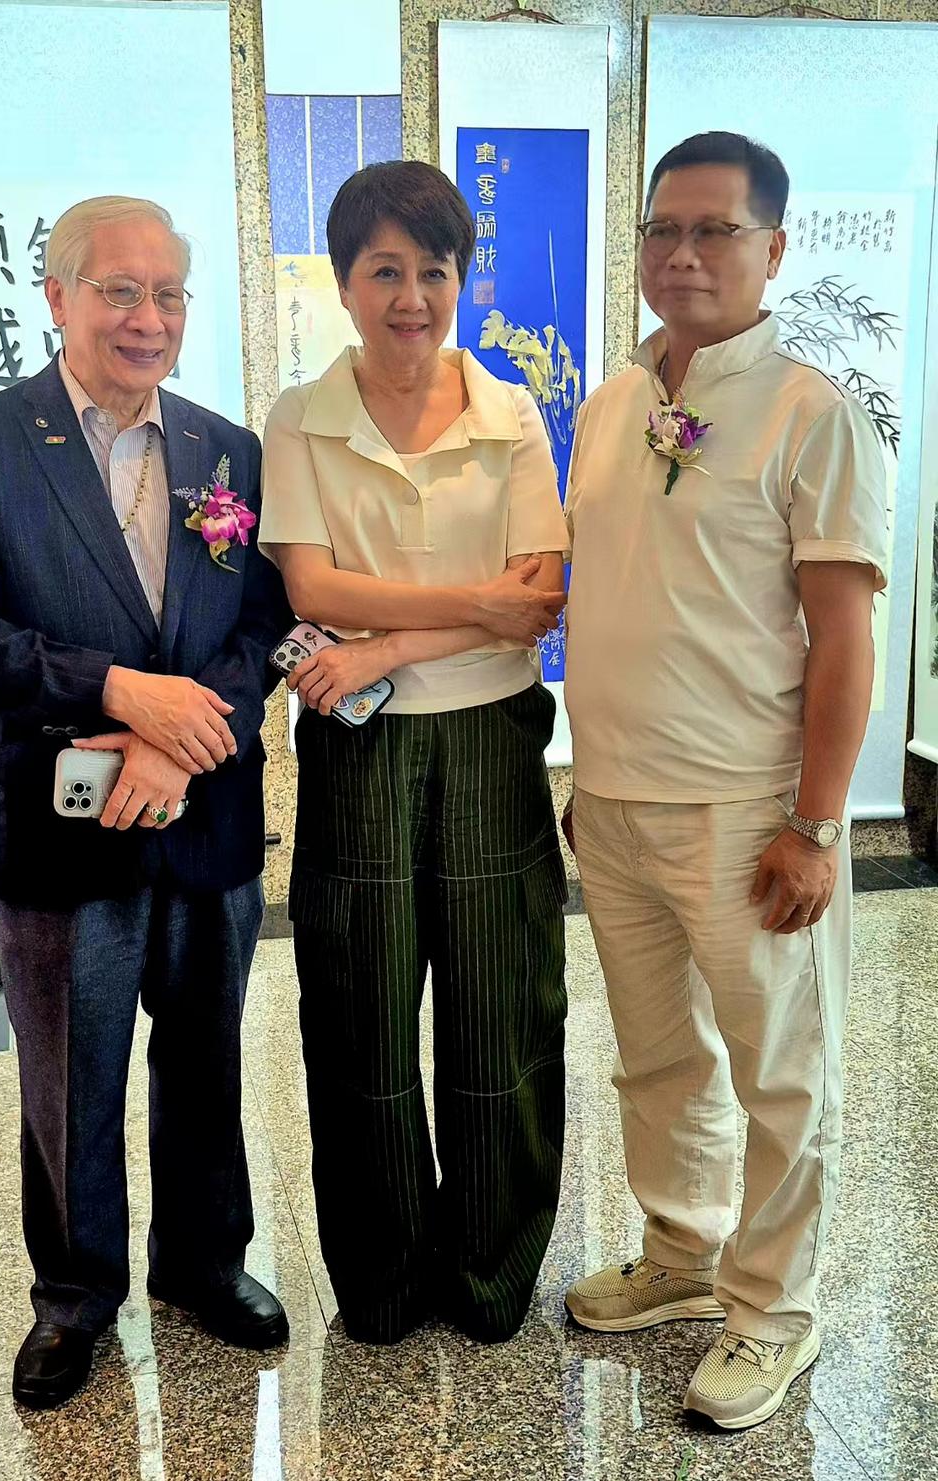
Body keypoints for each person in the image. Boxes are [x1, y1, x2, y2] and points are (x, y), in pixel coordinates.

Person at [0, 195, 293, 1409]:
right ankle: (73, 1297)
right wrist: (120, 692)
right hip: (64, 828)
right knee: (69, 1077)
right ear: (59, 296)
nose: (148, 317)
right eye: (120, 290)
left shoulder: (228, 449)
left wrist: (184, 739)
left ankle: (204, 1262)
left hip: (207, 818)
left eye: (168, 293)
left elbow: (264, 623)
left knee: (207, 1055)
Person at [561, 133, 888, 1428]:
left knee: (782, 1074)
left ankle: (774, 1309)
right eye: (663, 230)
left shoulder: (812, 411)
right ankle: (683, 1252)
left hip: (749, 810)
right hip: (616, 800)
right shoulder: (610, 404)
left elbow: (844, 637)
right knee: (657, 1059)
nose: (683, 254)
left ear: (773, 248)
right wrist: (589, 776)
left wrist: (817, 822)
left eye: (715, 230)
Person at [259, 160, 570, 1345]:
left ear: (460, 280)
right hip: (362, 743)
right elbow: (312, 585)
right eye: (382, 270)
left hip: (491, 733)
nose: (410, 296)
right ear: (343, 283)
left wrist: (393, 642)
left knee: (503, 1011)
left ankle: (491, 1273)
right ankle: (383, 1280)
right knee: (362, 1015)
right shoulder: (302, 416)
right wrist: (472, 606)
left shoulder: (509, 411)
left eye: (432, 270)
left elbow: (536, 597)